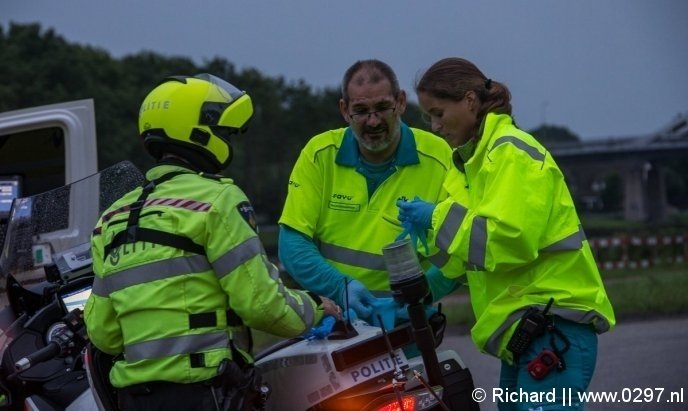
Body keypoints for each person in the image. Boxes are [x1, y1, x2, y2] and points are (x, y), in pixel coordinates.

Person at [84, 73, 340, 411]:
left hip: (135, 400)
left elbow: (104, 334)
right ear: (198, 132)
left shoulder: (111, 219)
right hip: (207, 393)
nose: (227, 141)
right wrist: (318, 307)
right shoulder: (216, 200)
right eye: (223, 132)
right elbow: (263, 307)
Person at [397, 57, 616, 410]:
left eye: (439, 113)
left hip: (552, 326)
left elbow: (508, 241)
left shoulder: (509, 153)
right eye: (428, 117)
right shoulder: (475, 164)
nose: (435, 127)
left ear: (469, 101)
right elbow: (471, 257)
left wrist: (436, 216)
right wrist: (417, 293)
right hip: (530, 332)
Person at [278, 59, 459, 328]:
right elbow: (292, 245)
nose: (373, 121)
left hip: (408, 327)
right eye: (361, 111)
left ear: (400, 102)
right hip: (337, 324)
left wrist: (420, 295)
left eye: (383, 108)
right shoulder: (319, 154)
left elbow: (459, 247)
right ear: (344, 110)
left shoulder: (441, 157)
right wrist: (342, 288)